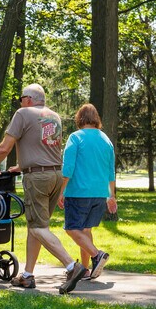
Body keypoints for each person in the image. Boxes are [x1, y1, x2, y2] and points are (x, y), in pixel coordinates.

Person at [0, 83, 87, 294]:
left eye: (21, 98)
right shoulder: (53, 116)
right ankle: (28, 276)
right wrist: (22, 164)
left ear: (28, 99)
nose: (20, 102)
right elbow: (44, 145)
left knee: (38, 227)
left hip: (37, 178)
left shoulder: (23, 113)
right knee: (36, 226)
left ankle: (71, 266)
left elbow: (5, 147)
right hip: (56, 174)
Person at [57, 103, 116, 280]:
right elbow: (110, 170)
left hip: (78, 192)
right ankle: (85, 269)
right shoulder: (106, 140)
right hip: (99, 193)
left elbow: (68, 168)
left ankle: (96, 255)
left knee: (72, 229)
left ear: (79, 119)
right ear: (96, 119)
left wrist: (61, 190)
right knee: (85, 230)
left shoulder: (76, 137)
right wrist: (111, 195)